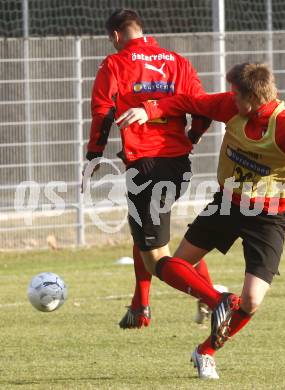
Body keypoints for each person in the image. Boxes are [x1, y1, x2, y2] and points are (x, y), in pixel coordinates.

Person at [116, 62, 285, 379]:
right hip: (228, 204)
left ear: (251, 97)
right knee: (173, 267)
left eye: (234, 92)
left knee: (253, 300)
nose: (229, 96)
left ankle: (206, 351)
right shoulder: (232, 107)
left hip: (268, 217)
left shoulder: (284, 124)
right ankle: (219, 300)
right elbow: (189, 101)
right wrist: (151, 109)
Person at [84, 8, 218, 329]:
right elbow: (203, 108)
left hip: (144, 167)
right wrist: (193, 137)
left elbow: (102, 113)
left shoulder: (115, 63)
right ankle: (140, 306)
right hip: (179, 166)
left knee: (156, 255)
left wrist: (93, 156)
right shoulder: (178, 62)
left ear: (116, 36)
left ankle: (216, 300)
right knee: (146, 234)